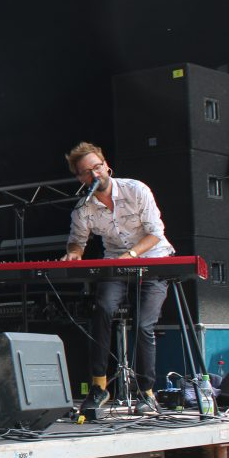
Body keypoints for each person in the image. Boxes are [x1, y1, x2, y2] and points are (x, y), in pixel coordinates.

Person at [62, 141, 173, 417]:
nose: (95, 174)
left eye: (97, 167)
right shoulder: (83, 208)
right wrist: (73, 254)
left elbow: (156, 233)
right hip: (116, 266)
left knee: (144, 323)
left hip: (153, 261)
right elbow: (76, 242)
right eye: (87, 172)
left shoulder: (136, 190)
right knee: (102, 309)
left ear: (106, 165)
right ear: (80, 178)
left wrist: (131, 255)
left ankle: (146, 393)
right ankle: (99, 387)